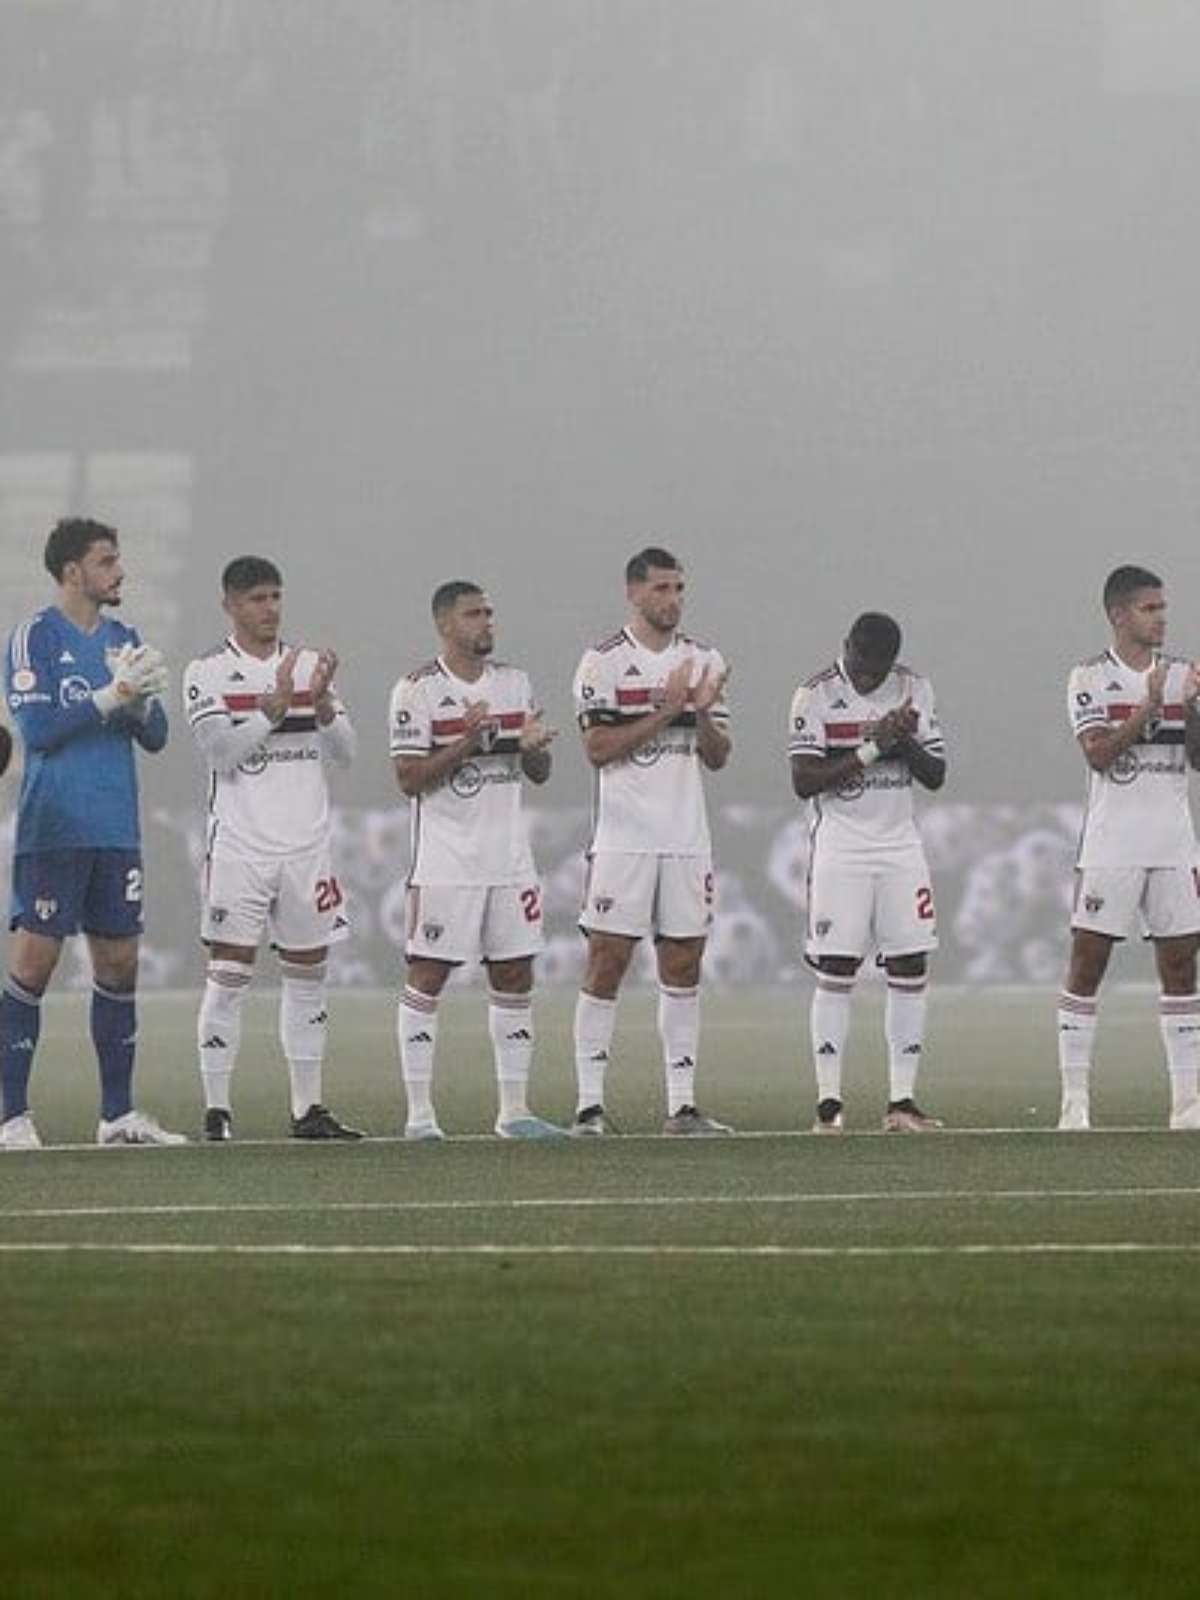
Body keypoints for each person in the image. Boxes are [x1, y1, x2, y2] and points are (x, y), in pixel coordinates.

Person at [0, 517, 184, 1148]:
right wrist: (112, 696)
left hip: (115, 828)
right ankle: (11, 1117)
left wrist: (138, 703)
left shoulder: (123, 637)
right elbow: (40, 731)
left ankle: (117, 1116)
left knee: (120, 962)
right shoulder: (34, 639)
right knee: (33, 962)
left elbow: (156, 738)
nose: (120, 571)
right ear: (74, 571)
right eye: (107, 561)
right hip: (54, 826)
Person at [182, 557, 363, 1141]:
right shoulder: (207, 672)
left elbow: (347, 753)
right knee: (230, 974)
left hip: (306, 847)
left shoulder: (310, 666)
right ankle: (217, 1110)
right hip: (240, 846)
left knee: (308, 976)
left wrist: (327, 708)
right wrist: (274, 710)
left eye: (276, 597)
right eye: (258, 598)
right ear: (230, 604)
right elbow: (221, 754)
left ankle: (307, 1109)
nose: (270, 609)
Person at [389, 580, 563, 1140]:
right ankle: (419, 1115)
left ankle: (514, 1111)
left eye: (489, 612)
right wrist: (466, 742)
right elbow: (408, 779)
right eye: (473, 614)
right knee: (429, 974)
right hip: (446, 863)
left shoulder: (515, 683)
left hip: (509, 859)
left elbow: (538, 773)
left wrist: (534, 749)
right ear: (445, 624)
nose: (486, 622)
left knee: (514, 975)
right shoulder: (415, 691)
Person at [571, 546, 732, 1135]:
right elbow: (597, 750)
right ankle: (589, 1106)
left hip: (687, 838)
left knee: (684, 962)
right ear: (633, 593)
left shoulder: (703, 659)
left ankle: (682, 1106)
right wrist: (666, 712)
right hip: (624, 841)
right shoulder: (603, 663)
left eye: (680, 588)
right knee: (608, 959)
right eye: (662, 589)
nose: (673, 600)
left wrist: (705, 714)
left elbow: (717, 758)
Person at [789, 612, 947, 1133]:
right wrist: (875, 745)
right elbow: (805, 781)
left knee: (910, 963)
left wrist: (904, 741)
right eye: (861, 666)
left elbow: (936, 774)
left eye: (877, 670)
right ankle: (828, 1105)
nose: (868, 678)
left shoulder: (914, 688)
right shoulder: (813, 694)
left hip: (900, 844)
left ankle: (902, 1101)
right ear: (847, 648)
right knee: (837, 967)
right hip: (842, 846)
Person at [1057, 565, 1200, 1132]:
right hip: (1112, 845)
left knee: (1182, 968)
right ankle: (1075, 1102)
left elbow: (1199, 758)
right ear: (1119, 615)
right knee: (1088, 964)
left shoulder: (1185, 674)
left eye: (1164, 607)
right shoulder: (1088, 678)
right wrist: (1150, 704)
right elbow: (1099, 755)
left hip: (1174, 843)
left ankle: (1188, 1104)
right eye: (1149, 608)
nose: (1161, 617)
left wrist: (1188, 710)